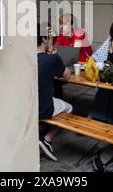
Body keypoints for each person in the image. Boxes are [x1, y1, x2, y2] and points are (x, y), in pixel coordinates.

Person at [37, 23, 73, 162]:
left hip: (27, 105)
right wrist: (55, 57)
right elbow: (68, 76)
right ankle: (47, 139)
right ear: (45, 39)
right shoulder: (51, 58)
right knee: (70, 108)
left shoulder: (26, 58)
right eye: (51, 38)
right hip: (43, 108)